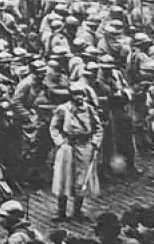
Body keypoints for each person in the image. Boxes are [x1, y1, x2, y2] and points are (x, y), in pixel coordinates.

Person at [50, 88, 101, 221]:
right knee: (64, 178)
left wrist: (95, 143)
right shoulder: (63, 109)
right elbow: (54, 127)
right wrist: (60, 142)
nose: (79, 97)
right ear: (71, 96)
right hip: (68, 147)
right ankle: (61, 212)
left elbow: (98, 128)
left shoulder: (89, 109)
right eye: (76, 94)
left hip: (85, 147)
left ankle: (77, 211)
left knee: (82, 179)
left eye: (81, 94)